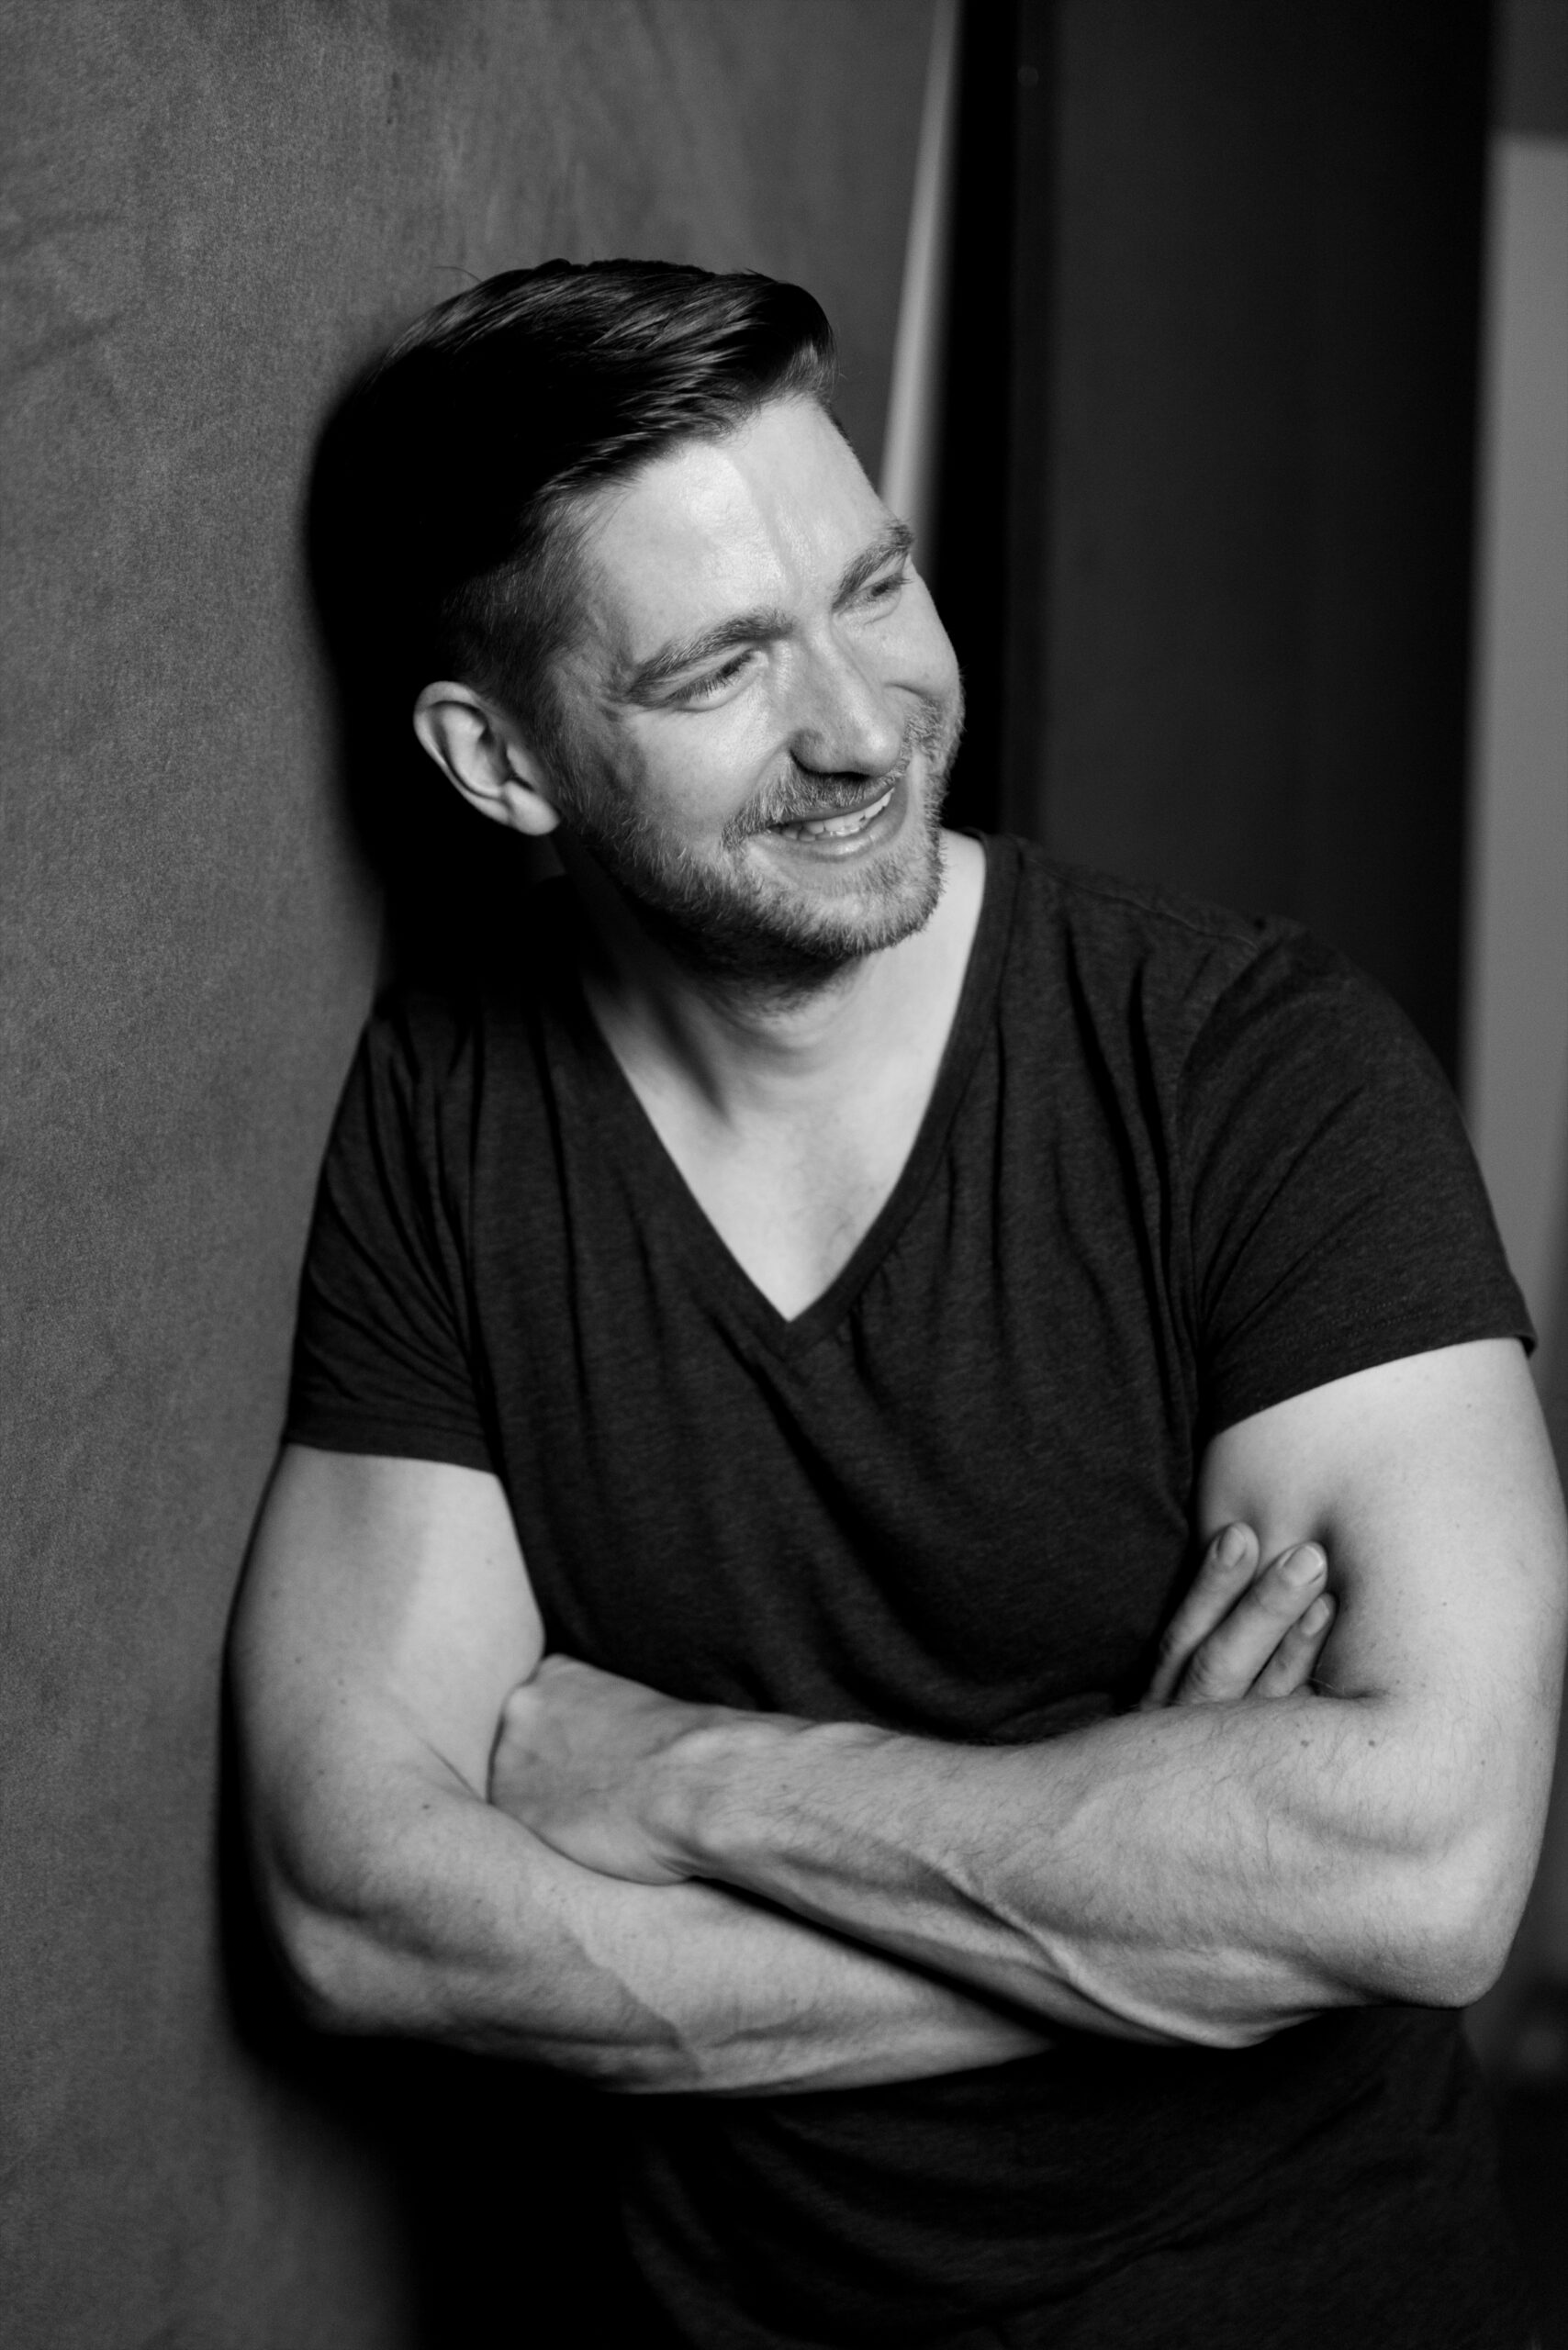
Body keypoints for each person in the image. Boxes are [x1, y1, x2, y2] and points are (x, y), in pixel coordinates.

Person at [230, 261, 1566, 2348]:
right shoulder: (450, 1108)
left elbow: (1420, 1872)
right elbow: (358, 1908)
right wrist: (1160, 1909)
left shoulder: (1253, 1066)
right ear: (500, 763)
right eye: (721, 666)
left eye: (874, 586)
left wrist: (689, 1780)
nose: (860, 725)